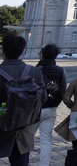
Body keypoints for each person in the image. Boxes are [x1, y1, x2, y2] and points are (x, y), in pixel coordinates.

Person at [0, 32, 47, 166]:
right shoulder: (34, 71)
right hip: (23, 128)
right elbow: (43, 99)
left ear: (3, 51)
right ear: (22, 51)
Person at [36, 44, 67, 166]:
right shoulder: (61, 71)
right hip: (51, 108)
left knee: (27, 139)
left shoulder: (34, 70)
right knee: (46, 139)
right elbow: (63, 91)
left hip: (35, 109)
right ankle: (44, 164)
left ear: (42, 55)